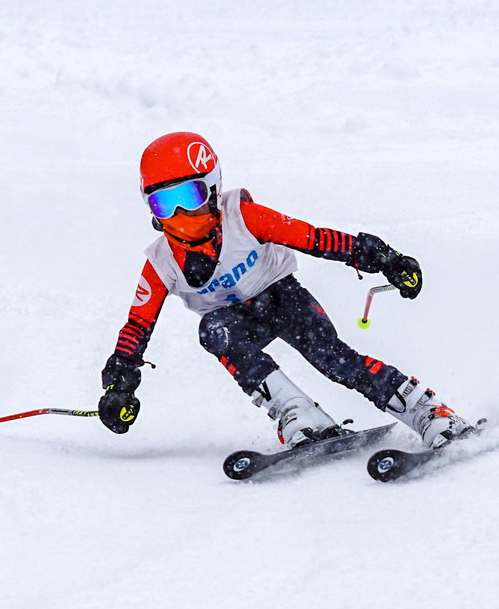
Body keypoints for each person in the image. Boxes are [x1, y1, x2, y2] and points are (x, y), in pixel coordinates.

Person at [98, 132, 476, 449]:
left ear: (213, 188)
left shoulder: (243, 217)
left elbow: (313, 238)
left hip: (282, 299)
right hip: (234, 324)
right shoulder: (162, 261)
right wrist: (119, 384)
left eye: (191, 197)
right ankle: (300, 413)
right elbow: (136, 327)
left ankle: (428, 412)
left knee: (333, 359)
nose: (180, 214)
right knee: (214, 331)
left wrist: (383, 257)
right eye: (165, 203)